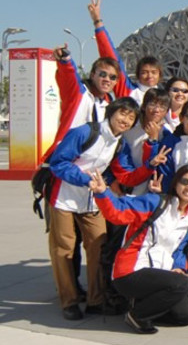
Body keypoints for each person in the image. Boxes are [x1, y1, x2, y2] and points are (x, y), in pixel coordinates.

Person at [47, 98, 166, 320]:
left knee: (98, 246)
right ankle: (69, 301)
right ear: (111, 113)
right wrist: (85, 180)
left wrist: (150, 166)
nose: (126, 120)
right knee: (64, 248)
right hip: (64, 197)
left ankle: (96, 299)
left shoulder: (119, 144)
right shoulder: (85, 132)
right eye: (122, 113)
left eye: (131, 117)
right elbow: (58, 163)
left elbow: (126, 175)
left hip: (93, 200)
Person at [89, 164, 188, 334]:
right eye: (185, 181)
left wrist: (179, 267)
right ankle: (137, 315)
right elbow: (119, 212)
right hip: (131, 270)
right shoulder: (156, 202)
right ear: (176, 182)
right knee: (183, 284)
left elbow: (180, 249)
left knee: (186, 316)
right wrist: (102, 192)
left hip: (159, 271)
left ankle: (142, 304)